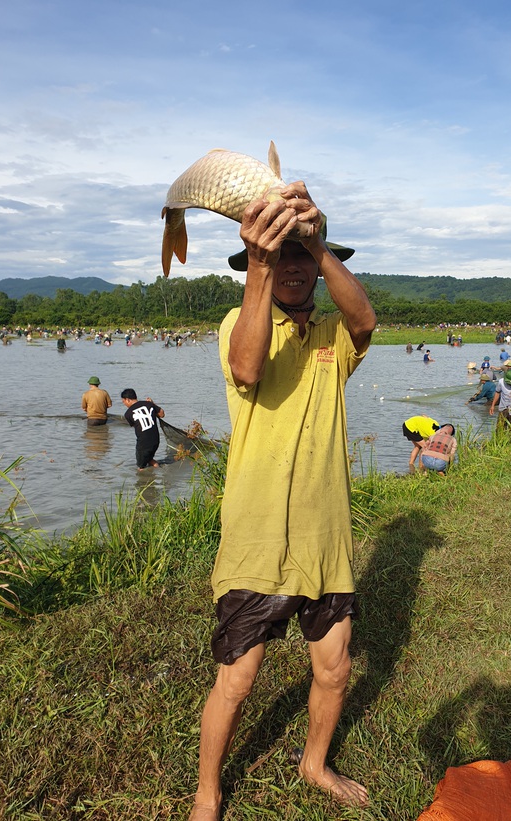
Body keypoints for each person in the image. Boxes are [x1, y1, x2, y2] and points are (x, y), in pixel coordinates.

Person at [189, 181, 376, 820]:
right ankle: (208, 792)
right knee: (237, 681)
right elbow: (247, 370)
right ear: (259, 267)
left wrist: (317, 240)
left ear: (320, 266)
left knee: (335, 669)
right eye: (281, 257)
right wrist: (260, 265)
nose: (294, 266)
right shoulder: (240, 327)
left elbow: (367, 321)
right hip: (258, 537)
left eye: (306, 256)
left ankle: (314, 763)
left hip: (325, 539)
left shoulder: (333, 336)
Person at [120, 389, 165, 469]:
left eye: (123, 401)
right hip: (156, 440)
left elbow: (136, 426)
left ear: (127, 399)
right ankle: (158, 471)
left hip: (143, 443)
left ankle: (144, 480)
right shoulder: (149, 404)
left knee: (141, 467)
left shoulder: (128, 414)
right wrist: (152, 403)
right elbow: (162, 414)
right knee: (149, 459)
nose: (124, 404)